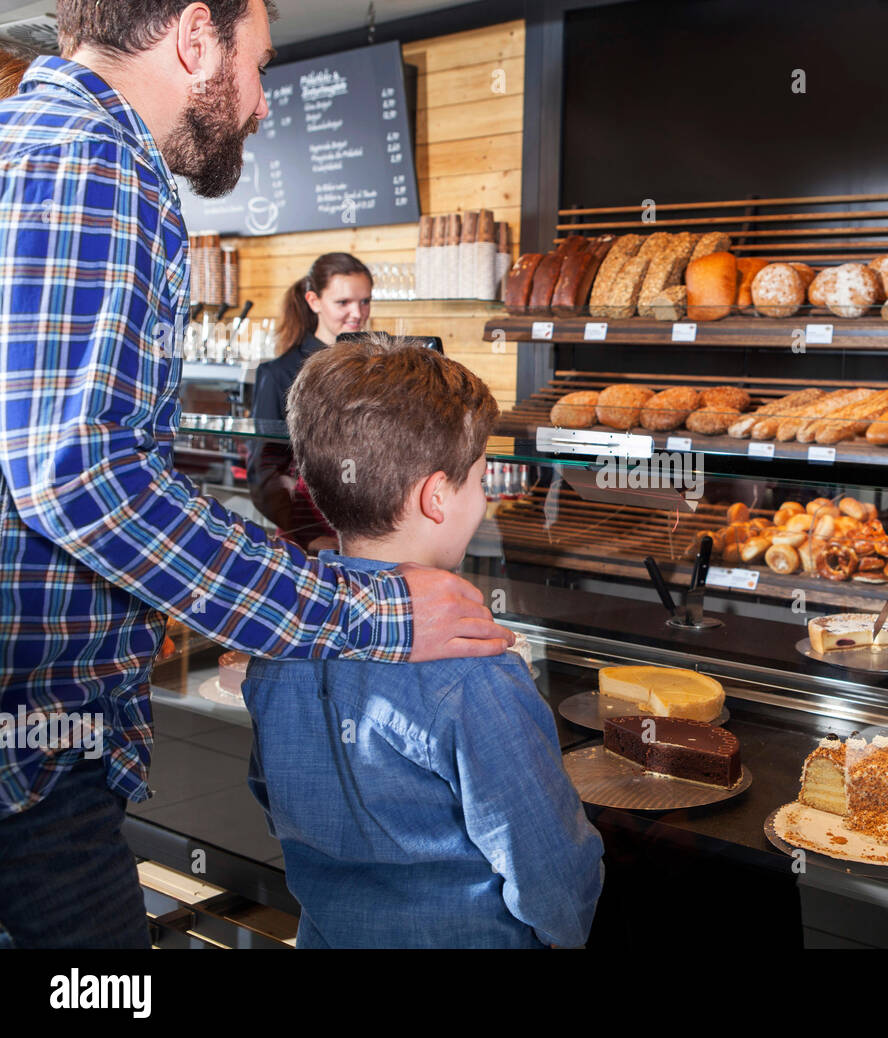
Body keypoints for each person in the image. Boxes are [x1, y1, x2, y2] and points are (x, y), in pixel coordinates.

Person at [0, 0, 510, 950]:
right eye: (261, 64)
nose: (264, 103)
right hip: (30, 768)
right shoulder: (98, 161)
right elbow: (79, 478)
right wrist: (371, 609)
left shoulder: (30, 139)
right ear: (198, 37)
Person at [243, 333, 604, 948]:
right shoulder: (475, 670)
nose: (484, 499)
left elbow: (271, 798)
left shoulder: (279, 644)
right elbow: (552, 882)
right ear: (436, 497)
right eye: (480, 480)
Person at [247, 252, 374, 552]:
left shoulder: (374, 368)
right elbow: (264, 472)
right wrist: (308, 536)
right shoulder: (278, 373)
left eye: (365, 301)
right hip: (308, 537)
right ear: (314, 301)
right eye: (343, 303)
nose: (357, 313)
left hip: (365, 529)